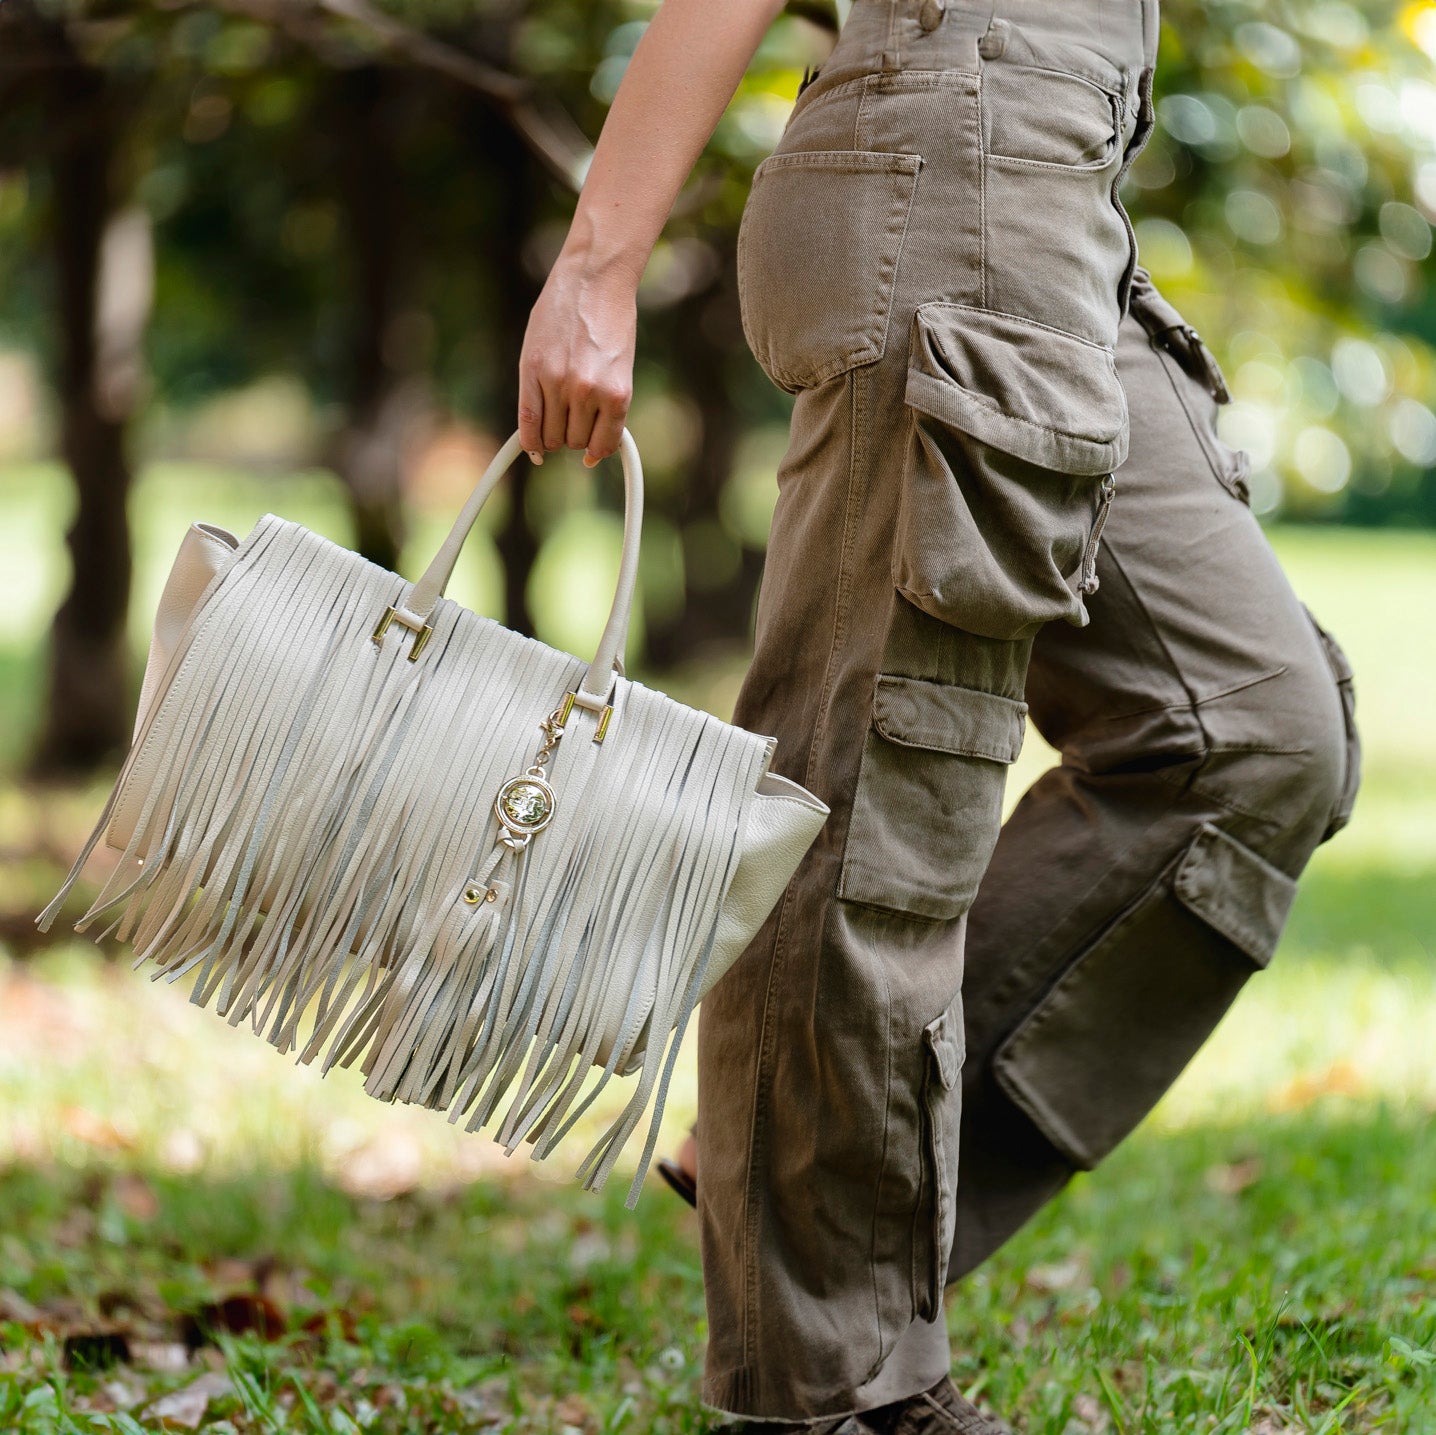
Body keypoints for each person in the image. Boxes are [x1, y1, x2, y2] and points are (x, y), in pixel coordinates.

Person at [517, 1, 1362, 1431]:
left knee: (1250, 731)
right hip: (945, 186)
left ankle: (794, 1178)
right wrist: (596, 268)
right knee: (876, 806)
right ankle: (833, 1388)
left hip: (1059, 202)